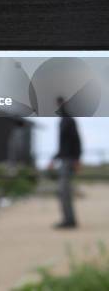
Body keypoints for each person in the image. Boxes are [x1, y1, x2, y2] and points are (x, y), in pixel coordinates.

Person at [49, 97, 82, 229]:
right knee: (63, 192)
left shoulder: (69, 120)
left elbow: (77, 141)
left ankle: (70, 221)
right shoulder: (63, 121)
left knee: (65, 191)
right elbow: (62, 146)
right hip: (64, 160)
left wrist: (77, 159)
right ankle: (68, 219)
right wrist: (54, 158)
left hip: (68, 160)